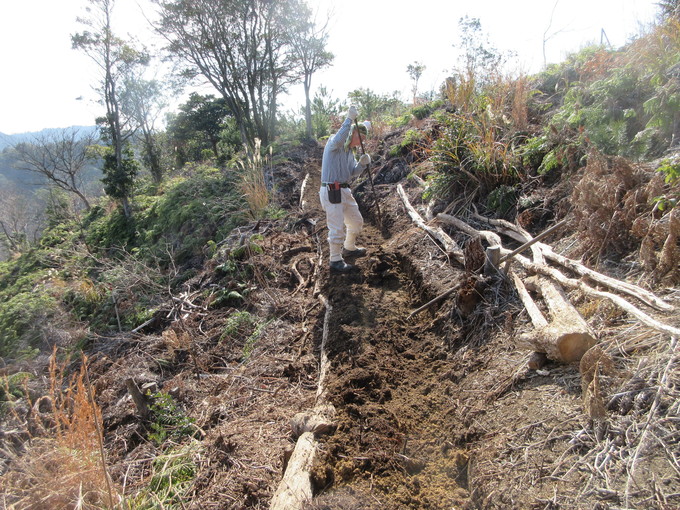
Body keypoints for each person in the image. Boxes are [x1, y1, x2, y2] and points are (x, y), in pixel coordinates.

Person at [319, 105, 372, 273]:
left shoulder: (350, 153)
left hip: (344, 190)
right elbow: (340, 138)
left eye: (363, 139)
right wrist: (349, 119)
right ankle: (335, 260)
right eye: (359, 137)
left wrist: (362, 165)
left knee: (356, 221)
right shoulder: (334, 143)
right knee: (336, 226)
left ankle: (349, 247)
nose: (361, 141)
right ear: (352, 133)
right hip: (331, 190)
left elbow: (351, 173)